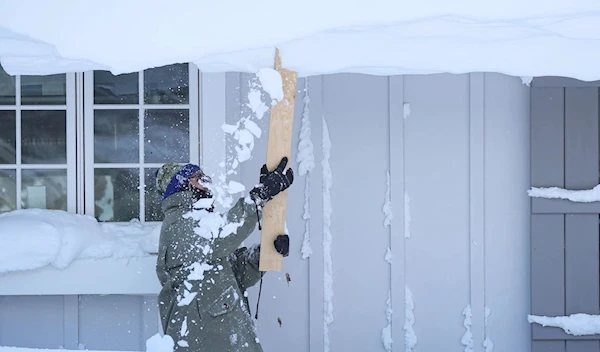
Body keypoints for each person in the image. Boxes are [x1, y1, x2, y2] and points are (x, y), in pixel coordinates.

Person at [154, 157, 294, 352]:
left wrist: (265, 253)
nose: (205, 181)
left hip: (227, 336)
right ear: (180, 187)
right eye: (196, 177)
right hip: (202, 340)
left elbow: (237, 275)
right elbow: (219, 238)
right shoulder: (177, 225)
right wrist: (259, 196)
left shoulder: (203, 223)